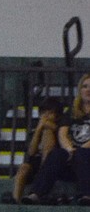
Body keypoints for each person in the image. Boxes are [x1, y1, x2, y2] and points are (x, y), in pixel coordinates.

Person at [24, 74, 90, 205]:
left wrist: (79, 151)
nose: (88, 90)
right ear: (80, 90)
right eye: (85, 86)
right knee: (57, 154)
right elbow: (62, 133)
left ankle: (87, 195)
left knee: (82, 154)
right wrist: (70, 150)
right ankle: (36, 194)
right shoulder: (72, 112)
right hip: (73, 159)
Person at [4, 98, 60, 204]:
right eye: (44, 113)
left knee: (47, 133)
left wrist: (48, 127)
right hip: (36, 162)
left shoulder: (59, 129)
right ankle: (16, 199)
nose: (46, 117)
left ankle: (40, 187)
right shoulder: (35, 131)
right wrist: (39, 129)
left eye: (50, 113)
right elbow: (31, 152)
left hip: (51, 163)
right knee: (24, 167)